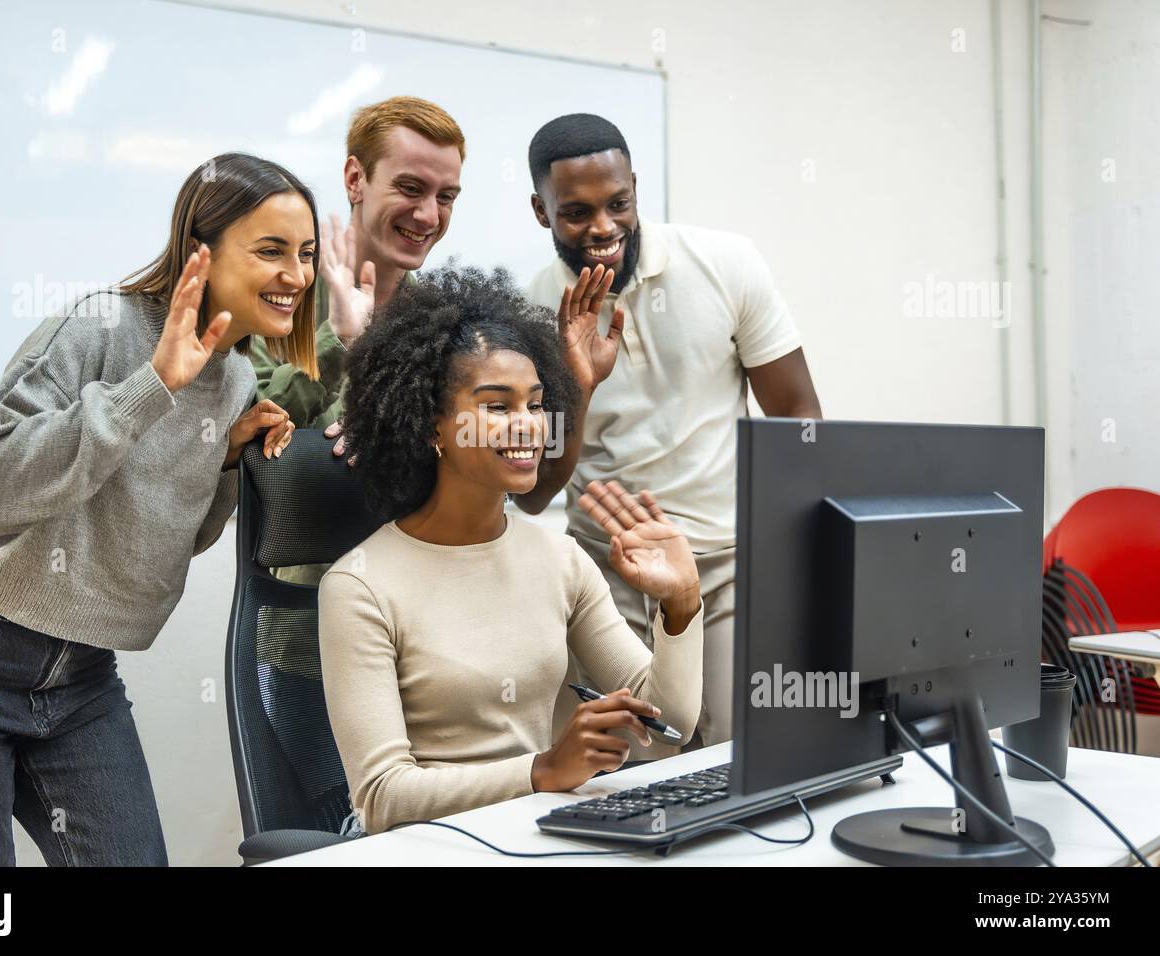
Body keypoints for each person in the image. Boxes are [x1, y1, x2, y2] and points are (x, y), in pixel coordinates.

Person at [0, 152, 312, 865]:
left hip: (77, 677)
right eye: (272, 251)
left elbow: (163, 536)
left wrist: (226, 463)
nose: (297, 275)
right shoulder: (103, 326)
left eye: (306, 253)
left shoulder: (232, 377)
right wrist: (152, 384)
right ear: (203, 249)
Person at [318, 266, 704, 835]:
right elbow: (381, 798)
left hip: (537, 833)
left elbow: (668, 729)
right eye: (497, 407)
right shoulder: (360, 587)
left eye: (535, 404)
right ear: (432, 426)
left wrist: (682, 604)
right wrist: (542, 770)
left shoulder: (561, 561)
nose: (528, 427)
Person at [518, 114, 824, 748]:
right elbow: (533, 492)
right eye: (575, 212)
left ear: (635, 186)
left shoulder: (725, 263)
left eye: (618, 204)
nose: (602, 228)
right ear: (541, 211)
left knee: (736, 759)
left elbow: (798, 420)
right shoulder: (527, 315)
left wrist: (795, 557)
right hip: (608, 567)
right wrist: (578, 384)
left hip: (727, 560)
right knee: (638, 764)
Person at [248, 95, 465, 587]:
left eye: (447, 196)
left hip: (425, 609)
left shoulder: (446, 323)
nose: (429, 216)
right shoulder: (281, 293)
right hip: (305, 612)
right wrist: (340, 343)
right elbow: (244, 430)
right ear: (355, 179)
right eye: (410, 188)